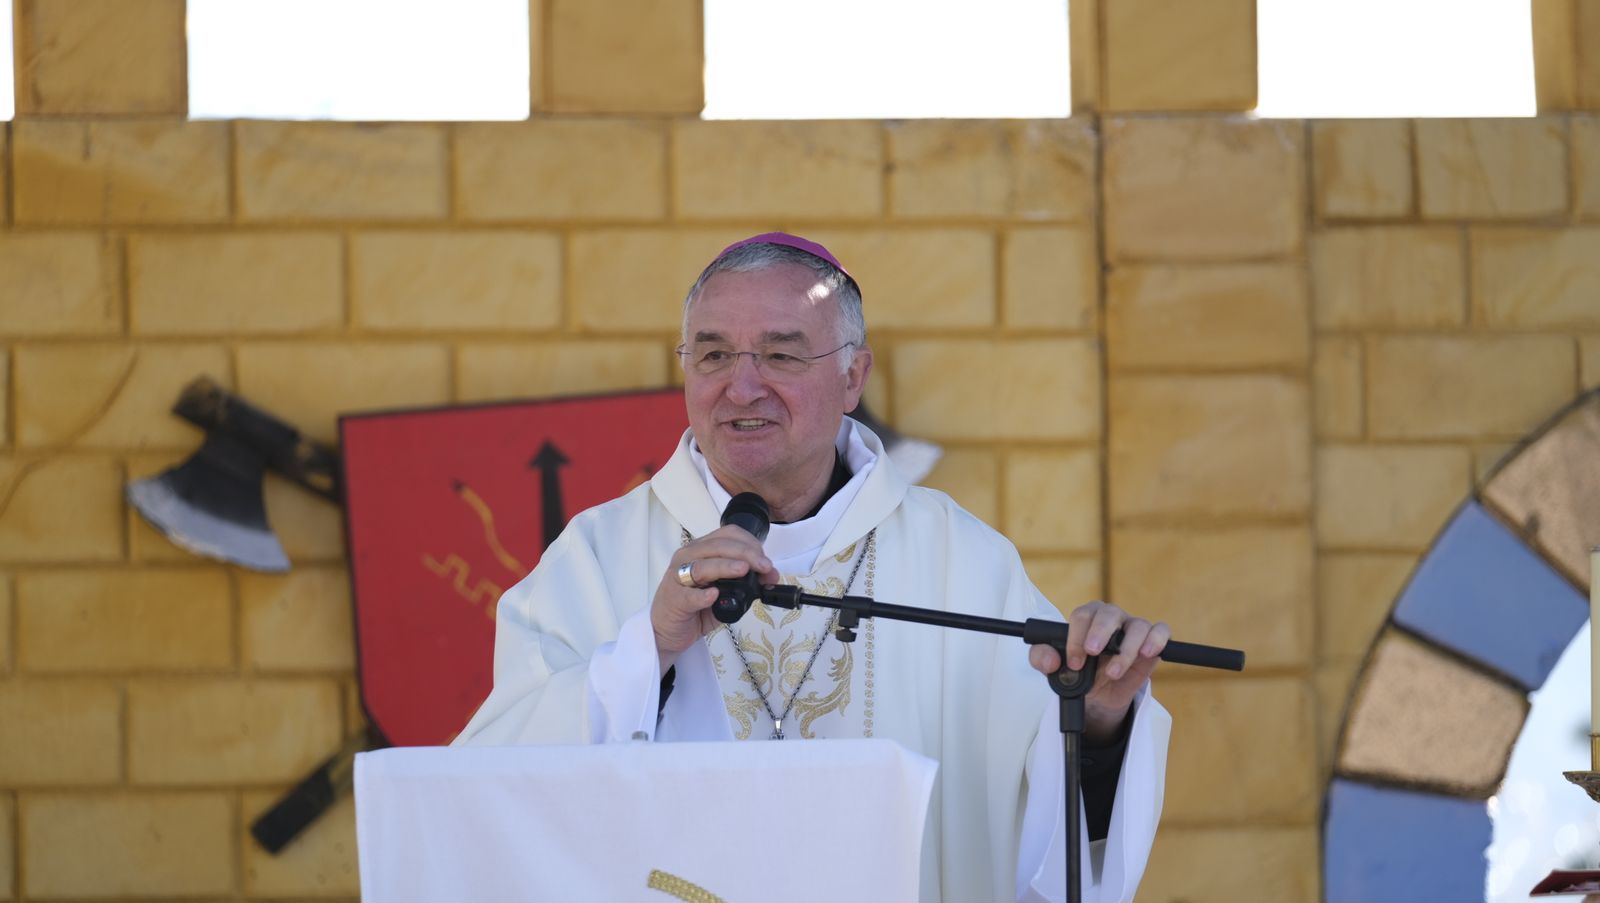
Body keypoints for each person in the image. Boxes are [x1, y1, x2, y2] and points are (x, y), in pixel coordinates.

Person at [455, 233, 1172, 903]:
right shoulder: (597, 555)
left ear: (853, 375)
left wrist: (1098, 717)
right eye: (712, 355)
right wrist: (647, 651)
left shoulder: (957, 558)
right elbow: (486, 787)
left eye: (781, 355)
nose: (741, 387)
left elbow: (1046, 815)